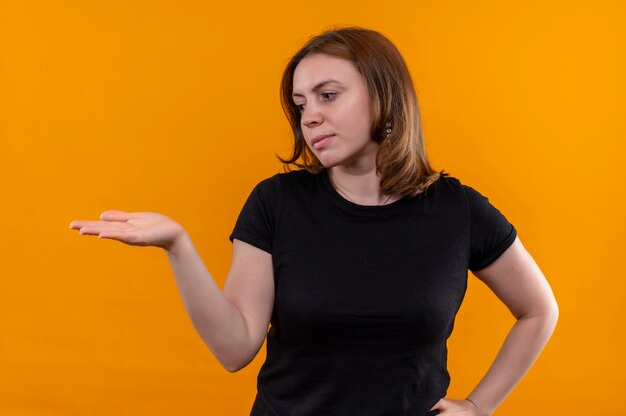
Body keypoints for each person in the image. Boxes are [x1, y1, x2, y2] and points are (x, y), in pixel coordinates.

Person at [69, 26, 558, 416]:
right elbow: (235, 348)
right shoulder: (276, 203)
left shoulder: (458, 209)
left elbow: (539, 311)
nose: (309, 117)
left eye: (327, 95)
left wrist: (479, 405)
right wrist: (178, 244)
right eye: (301, 105)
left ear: (383, 96)